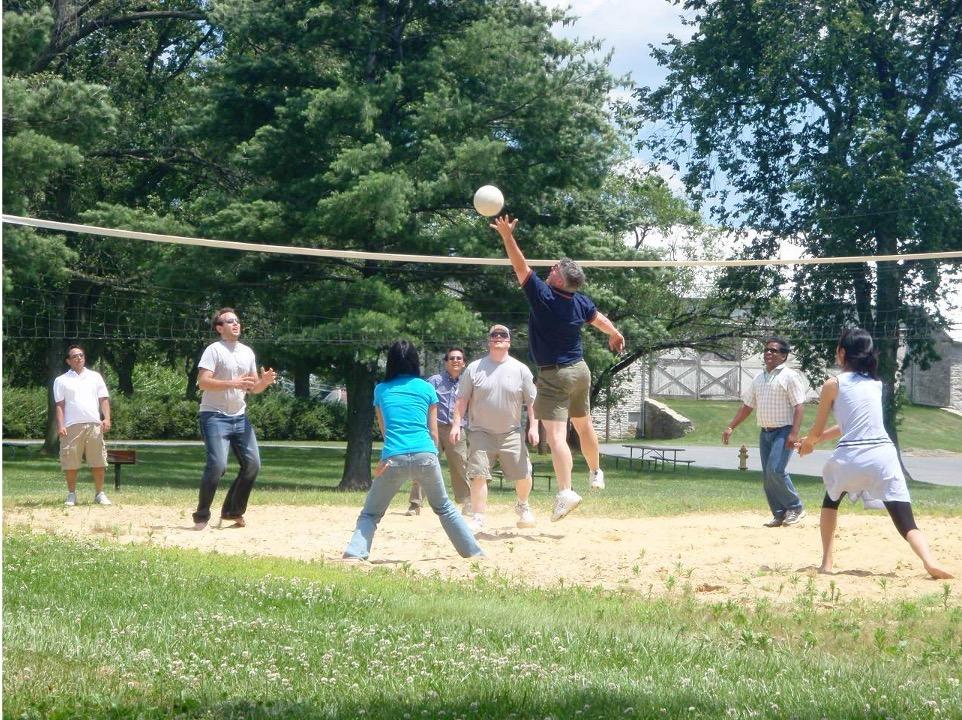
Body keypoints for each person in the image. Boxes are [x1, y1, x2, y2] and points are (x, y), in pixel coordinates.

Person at [491, 216, 625, 522]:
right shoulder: (579, 301)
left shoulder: (545, 296)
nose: (550, 270)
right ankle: (595, 471)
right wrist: (614, 332)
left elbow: (519, 265)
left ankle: (565, 491)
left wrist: (506, 236)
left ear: (561, 280)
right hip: (580, 371)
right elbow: (598, 318)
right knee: (584, 425)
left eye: (554, 270)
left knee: (555, 436)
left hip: (555, 375)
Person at [797, 328, 952, 579]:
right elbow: (853, 423)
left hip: (851, 457)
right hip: (883, 455)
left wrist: (808, 443)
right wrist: (817, 439)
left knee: (831, 501)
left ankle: (827, 562)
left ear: (842, 353)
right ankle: (929, 560)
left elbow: (816, 430)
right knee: (906, 520)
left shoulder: (832, 384)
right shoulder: (875, 384)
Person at [343, 340, 483, 560]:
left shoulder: (381, 390)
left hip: (393, 457)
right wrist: (433, 458)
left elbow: (385, 430)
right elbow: (433, 432)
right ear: (415, 362)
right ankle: (473, 552)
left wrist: (382, 460)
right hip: (425, 454)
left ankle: (355, 552)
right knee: (445, 507)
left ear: (390, 362)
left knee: (370, 513)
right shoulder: (426, 388)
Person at [192, 308, 276, 531]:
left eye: (237, 321)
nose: (235, 324)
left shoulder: (247, 352)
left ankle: (232, 511)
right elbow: (203, 382)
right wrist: (232, 383)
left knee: (253, 465)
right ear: (219, 328)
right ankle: (202, 515)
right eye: (229, 322)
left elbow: (253, 387)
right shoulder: (214, 350)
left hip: (239, 417)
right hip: (214, 416)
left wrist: (264, 382)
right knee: (217, 465)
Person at [450, 325, 540, 534]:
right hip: (480, 431)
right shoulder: (474, 368)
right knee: (478, 474)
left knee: (524, 473)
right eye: (494, 335)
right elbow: (462, 399)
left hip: (511, 432)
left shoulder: (521, 369)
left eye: (503, 335)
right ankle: (478, 518)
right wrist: (456, 424)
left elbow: (533, 402)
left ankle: (523, 505)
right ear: (489, 341)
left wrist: (534, 427)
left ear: (509, 341)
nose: (498, 338)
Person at [722, 336, 807, 527]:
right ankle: (779, 514)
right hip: (765, 432)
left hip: (783, 431)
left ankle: (796, 507)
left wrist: (794, 433)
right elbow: (747, 406)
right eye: (767, 350)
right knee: (768, 475)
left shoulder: (789, 376)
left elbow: (799, 406)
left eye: (774, 350)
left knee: (775, 470)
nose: (768, 353)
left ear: (784, 356)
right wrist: (730, 427)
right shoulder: (759, 378)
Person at [405, 347, 471, 516]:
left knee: (460, 466)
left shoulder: (467, 382)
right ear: (446, 362)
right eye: (451, 358)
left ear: (464, 363)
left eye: (459, 358)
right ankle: (415, 504)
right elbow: (421, 402)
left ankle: (467, 503)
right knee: (424, 465)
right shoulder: (434, 381)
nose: (455, 361)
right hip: (432, 429)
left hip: (456, 430)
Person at [53, 345, 113, 507]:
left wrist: (106, 418)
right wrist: (60, 425)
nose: (78, 358)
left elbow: (103, 399)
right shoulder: (61, 380)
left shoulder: (95, 377)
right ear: (68, 361)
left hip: (94, 425)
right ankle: (71, 494)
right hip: (71, 426)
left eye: (81, 355)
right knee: (70, 462)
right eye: (74, 356)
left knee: (98, 461)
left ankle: (99, 493)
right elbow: (59, 405)